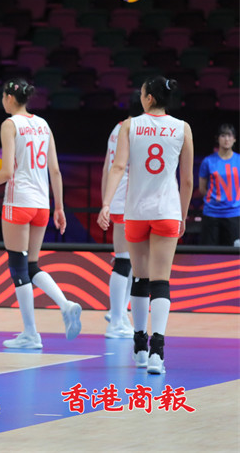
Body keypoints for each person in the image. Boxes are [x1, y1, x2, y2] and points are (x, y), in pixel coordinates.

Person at [0, 78, 82, 350]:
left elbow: (7, 171)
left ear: (10, 98)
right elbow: (55, 170)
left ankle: (31, 334)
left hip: (18, 201)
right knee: (32, 265)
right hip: (42, 204)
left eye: (3, 96)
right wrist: (59, 207)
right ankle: (65, 304)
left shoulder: (10, 124)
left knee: (18, 267)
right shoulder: (44, 125)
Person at [98, 76, 194, 375]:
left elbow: (117, 166)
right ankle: (157, 353)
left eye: (142, 93)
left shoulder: (130, 125)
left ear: (149, 97)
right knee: (160, 281)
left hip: (136, 212)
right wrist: (183, 215)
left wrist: (106, 203)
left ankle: (140, 347)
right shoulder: (182, 128)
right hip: (167, 210)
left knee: (139, 278)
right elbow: (187, 180)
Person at [100, 90, 141, 339]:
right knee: (125, 261)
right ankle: (115, 319)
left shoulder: (117, 128)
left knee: (131, 261)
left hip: (120, 199)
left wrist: (105, 201)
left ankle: (119, 313)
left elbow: (107, 167)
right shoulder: (136, 129)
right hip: (129, 199)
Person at [198, 124, 240, 246]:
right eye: (223, 135)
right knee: (208, 253)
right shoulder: (208, 161)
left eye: (229, 136)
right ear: (218, 139)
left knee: (234, 254)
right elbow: (202, 189)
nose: (226, 139)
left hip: (234, 214)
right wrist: (215, 200)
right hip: (211, 214)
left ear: (234, 139)